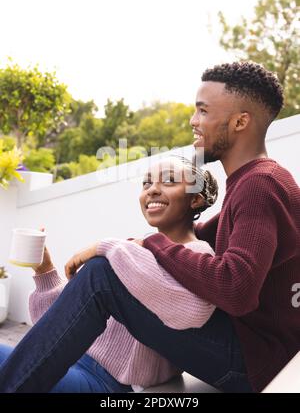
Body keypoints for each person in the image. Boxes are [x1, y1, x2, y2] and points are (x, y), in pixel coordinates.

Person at [0, 61, 299, 393]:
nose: (193, 120)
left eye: (202, 111)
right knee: (107, 268)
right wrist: (137, 246)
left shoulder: (260, 185)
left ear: (240, 121)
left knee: (102, 273)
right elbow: (203, 235)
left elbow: (236, 288)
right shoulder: (255, 183)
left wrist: (138, 245)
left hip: (253, 362)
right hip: (249, 353)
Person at [0, 157, 218, 393]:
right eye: (146, 183)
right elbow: (60, 328)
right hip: (69, 360)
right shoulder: (136, 250)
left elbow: (189, 309)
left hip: (106, 384)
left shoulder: (198, 255)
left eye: (169, 181)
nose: (153, 189)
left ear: (195, 198)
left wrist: (108, 246)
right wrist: (44, 270)